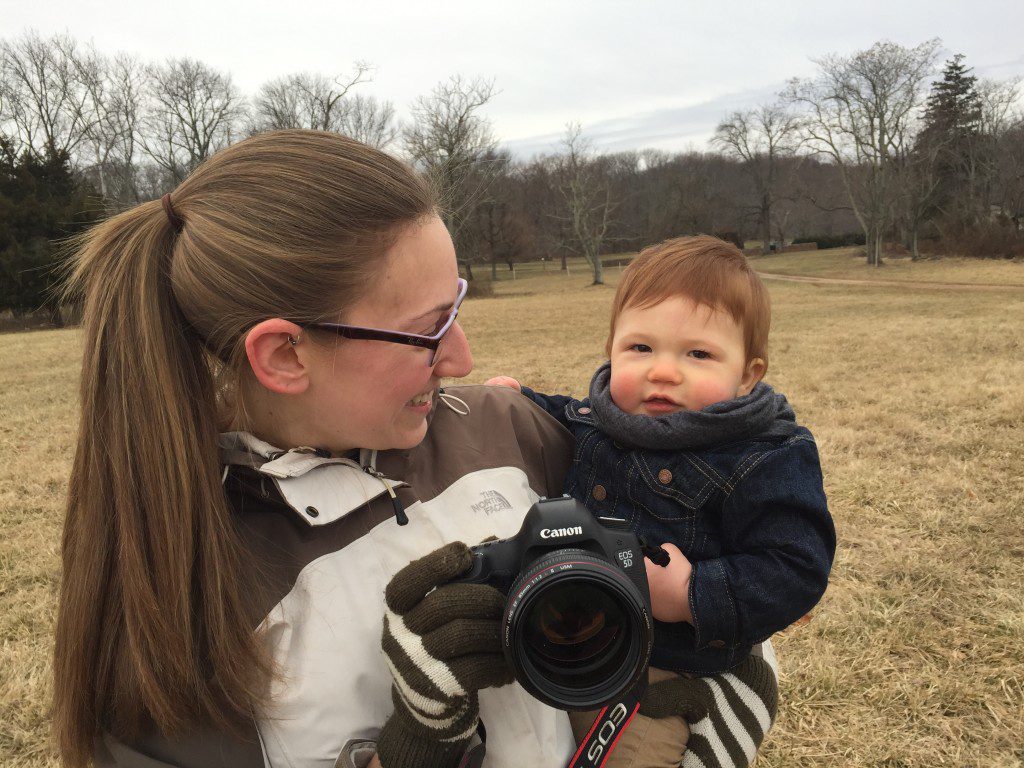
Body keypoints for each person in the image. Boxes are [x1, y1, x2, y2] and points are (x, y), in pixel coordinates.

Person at [52, 130, 580, 768]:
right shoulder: (186, 608)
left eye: (455, 307)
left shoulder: (508, 431)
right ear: (285, 355)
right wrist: (413, 747)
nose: (463, 358)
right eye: (426, 331)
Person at [485, 235, 836, 767]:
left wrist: (694, 593)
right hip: (577, 635)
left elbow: (795, 568)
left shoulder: (764, 454)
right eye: (640, 348)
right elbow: (564, 416)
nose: (664, 371)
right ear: (612, 349)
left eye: (698, 353)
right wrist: (518, 400)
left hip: (665, 668)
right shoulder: (602, 419)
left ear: (747, 374)